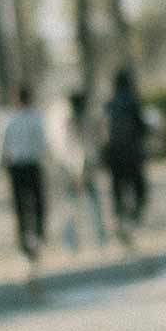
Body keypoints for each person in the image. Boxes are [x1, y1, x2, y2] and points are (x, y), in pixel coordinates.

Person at [0, 85, 47, 268]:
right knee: (31, 204)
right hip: (27, 165)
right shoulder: (30, 117)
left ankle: (30, 239)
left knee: (26, 205)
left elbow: (1, 147)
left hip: (20, 165)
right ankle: (32, 239)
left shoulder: (10, 118)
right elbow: (42, 143)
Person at [55, 90, 111, 253]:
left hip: (83, 167)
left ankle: (98, 239)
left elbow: (90, 147)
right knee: (73, 206)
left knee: (89, 205)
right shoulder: (69, 123)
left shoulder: (85, 121)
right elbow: (71, 149)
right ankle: (73, 242)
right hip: (73, 168)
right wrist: (76, 170)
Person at [100, 67, 151, 247]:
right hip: (132, 155)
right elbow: (142, 128)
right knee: (140, 190)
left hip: (114, 156)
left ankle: (121, 222)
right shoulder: (133, 102)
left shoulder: (108, 105)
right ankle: (133, 219)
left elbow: (102, 132)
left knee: (118, 192)